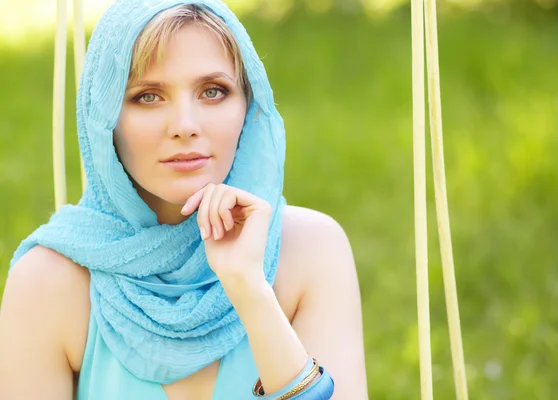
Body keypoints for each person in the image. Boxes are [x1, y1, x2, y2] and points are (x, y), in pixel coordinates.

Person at [0, 0, 367, 399]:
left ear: (248, 104)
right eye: (148, 96)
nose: (185, 126)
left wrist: (250, 288)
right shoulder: (49, 282)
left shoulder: (310, 250)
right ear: (103, 119)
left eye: (213, 91)